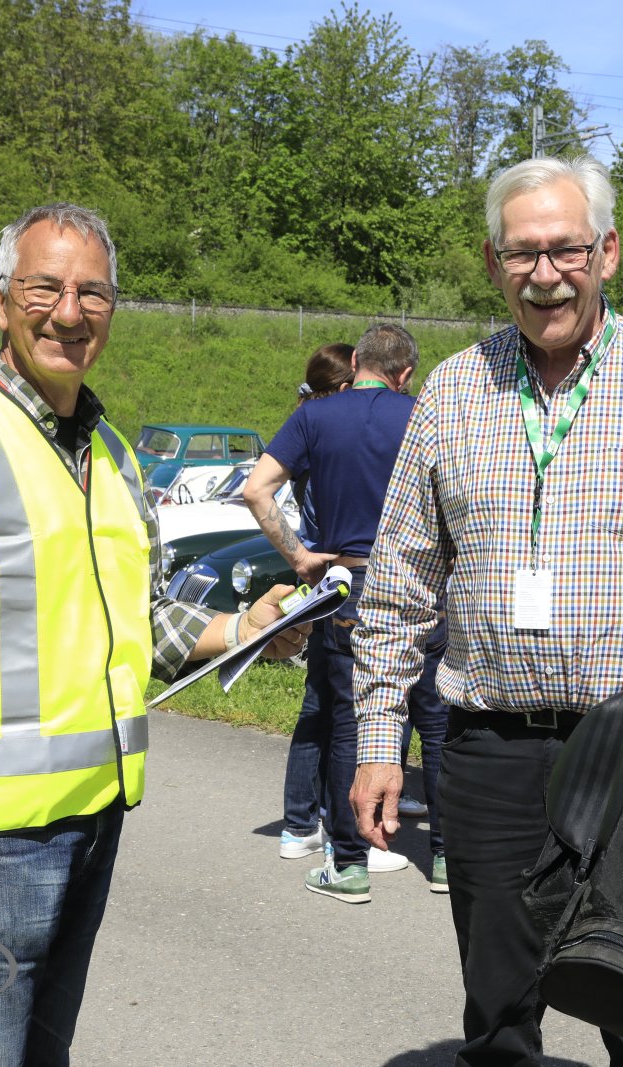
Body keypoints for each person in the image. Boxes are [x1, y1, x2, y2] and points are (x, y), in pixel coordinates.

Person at [0, 202, 305, 1066]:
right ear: (0, 298)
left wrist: (244, 626)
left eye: (93, 293)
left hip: (94, 817)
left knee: (43, 1052)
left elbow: (133, 621)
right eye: (45, 288)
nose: (69, 313)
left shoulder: (110, 450)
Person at [349, 155, 623, 1064]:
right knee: (499, 1015)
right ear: (493, 263)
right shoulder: (453, 392)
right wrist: (380, 743)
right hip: (491, 752)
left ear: (606, 252)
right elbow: (396, 588)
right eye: (522, 253)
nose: (546, 274)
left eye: (566, 249)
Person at [244, 322, 450, 901]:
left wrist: (299, 556)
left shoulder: (315, 415)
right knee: (436, 723)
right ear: (405, 373)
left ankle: (349, 865)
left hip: (348, 583)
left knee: (345, 724)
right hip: (423, 585)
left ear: (355, 360)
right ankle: (446, 859)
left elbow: (257, 489)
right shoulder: (424, 415)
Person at [276, 342, 355, 860]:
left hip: (318, 577)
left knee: (321, 700)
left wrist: (299, 555)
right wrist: (304, 555)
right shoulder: (326, 427)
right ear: (345, 386)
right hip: (335, 577)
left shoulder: (306, 421)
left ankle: (302, 821)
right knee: (333, 703)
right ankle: (315, 821)